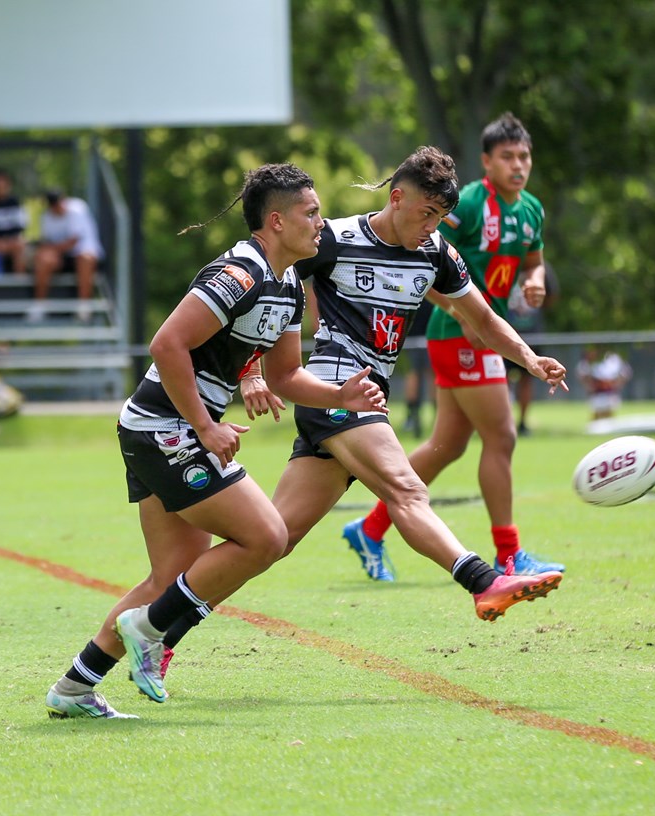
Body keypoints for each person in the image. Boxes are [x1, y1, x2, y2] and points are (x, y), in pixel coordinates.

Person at [155, 146, 567, 671]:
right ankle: (485, 582)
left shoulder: (436, 252)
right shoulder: (331, 239)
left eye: (441, 217)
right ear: (396, 199)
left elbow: (482, 320)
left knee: (273, 540)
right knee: (406, 487)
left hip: (362, 405)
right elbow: (267, 287)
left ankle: (162, 627)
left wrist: (530, 359)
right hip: (334, 390)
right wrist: (252, 371)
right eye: (425, 214)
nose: (432, 226)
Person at [45, 163, 387, 718]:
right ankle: (148, 628)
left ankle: (75, 687)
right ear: (276, 221)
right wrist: (205, 427)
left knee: (168, 575)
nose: (321, 223)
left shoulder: (287, 288)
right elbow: (166, 345)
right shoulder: (241, 271)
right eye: (311, 212)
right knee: (267, 537)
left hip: (164, 429)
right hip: (165, 429)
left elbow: (284, 378)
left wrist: (340, 397)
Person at [342, 116, 567, 581]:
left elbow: (534, 261)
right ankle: (510, 555)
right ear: (487, 161)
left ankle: (370, 527)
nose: (518, 165)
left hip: (488, 332)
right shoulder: (467, 204)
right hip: (461, 333)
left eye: (524, 156)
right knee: (502, 437)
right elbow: (426, 261)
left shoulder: (531, 210)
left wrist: (536, 281)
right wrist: (465, 316)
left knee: (447, 446)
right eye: (507, 157)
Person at [30, 188, 103, 322]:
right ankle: (40, 305)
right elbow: (48, 242)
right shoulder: (46, 217)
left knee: (85, 259)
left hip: (83, 255)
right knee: (44, 260)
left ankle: (84, 306)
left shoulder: (78, 209)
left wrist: (50, 248)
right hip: (61, 258)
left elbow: (73, 242)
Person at [505, 262, 559, 434]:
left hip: (529, 335)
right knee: (503, 378)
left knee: (525, 379)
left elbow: (551, 294)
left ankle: (520, 422)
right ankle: (507, 421)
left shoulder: (538, 267)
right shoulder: (507, 262)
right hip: (505, 333)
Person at [400, 298, 434, 437]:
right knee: (431, 376)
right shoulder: (433, 289)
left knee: (413, 374)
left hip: (411, 339)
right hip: (428, 339)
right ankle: (435, 415)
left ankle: (412, 416)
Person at [578, 347, 633, 420]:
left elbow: (625, 373)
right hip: (597, 392)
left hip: (610, 391)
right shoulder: (591, 358)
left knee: (609, 416)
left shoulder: (614, 358)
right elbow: (582, 373)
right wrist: (589, 386)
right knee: (596, 415)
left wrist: (618, 384)